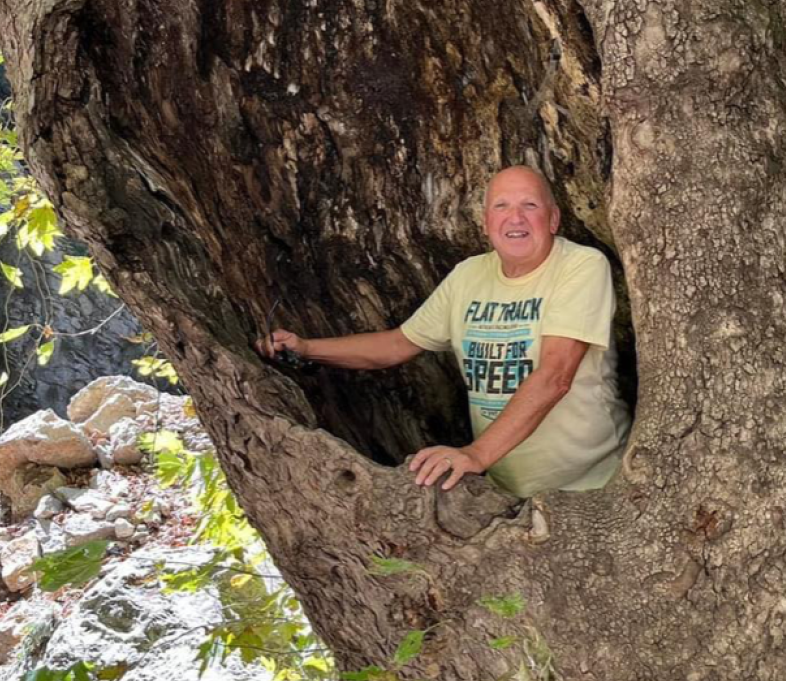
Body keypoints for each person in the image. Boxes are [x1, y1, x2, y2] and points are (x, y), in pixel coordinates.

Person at [257, 166, 631, 497]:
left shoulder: (580, 266)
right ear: (485, 222)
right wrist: (305, 347)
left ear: (553, 219)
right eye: (501, 206)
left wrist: (475, 454)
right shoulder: (469, 275)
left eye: (530, 206)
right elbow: (397, 344)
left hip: (591, 486)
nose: (515, 218)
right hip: (507, 493)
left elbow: (555, 376)